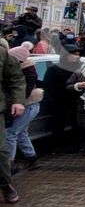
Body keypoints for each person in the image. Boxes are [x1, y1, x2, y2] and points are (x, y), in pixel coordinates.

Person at [5, 45, 42, 174]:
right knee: (20, 133)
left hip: (27, 106)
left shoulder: (26, 73)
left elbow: (23, 92)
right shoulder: (26, 70)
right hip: (28, 105)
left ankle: (8, 165)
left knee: (10, 133)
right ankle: (31, 158)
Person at [44, 45, 83, 154]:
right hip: (59, 102)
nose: (77, 56)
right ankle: (57, 147)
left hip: (75, 100)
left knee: (76, 124)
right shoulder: (54, 69)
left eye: (78, 54)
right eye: (74, 54)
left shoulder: (79, 68)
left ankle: (76, 145)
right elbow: (48, 86)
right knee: (58, 125)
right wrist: (54, 99)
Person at [0, 46, 26, 203]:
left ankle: (5, 184)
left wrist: (18, 100)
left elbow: (15, 77)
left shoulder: (1, 52)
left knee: (1, 152)